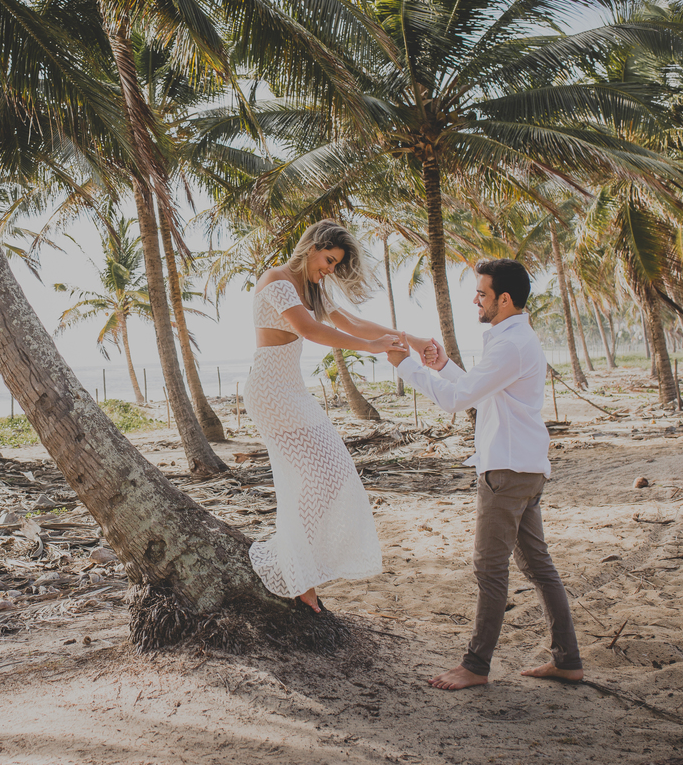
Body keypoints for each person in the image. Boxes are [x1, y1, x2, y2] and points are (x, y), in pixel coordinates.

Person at [387, 258, 583, 690]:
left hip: (507, 472)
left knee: (490, 569)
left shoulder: (510, 344)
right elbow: (480, 392)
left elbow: (456, 401)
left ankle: (476, 666)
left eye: (481, 293)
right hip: (523, 467)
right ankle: (568, 659)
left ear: (504, 299)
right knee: (538, 567)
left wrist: (405, 366)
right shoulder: (513, 339)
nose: (475, 300)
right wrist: (442, 366)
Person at [246, 219, 426, 613]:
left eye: (335, 264)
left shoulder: (312, 289)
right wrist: (373, 347)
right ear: (312, 246)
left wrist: (408, 339)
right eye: (329, 260)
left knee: (333, 474)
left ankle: (299, 563)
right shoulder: (276, 280)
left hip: (292, 391)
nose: (329, 269)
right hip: (270, 391)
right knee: (315, 477)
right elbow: (309, 329)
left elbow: (352, 322)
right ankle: (299, 573)